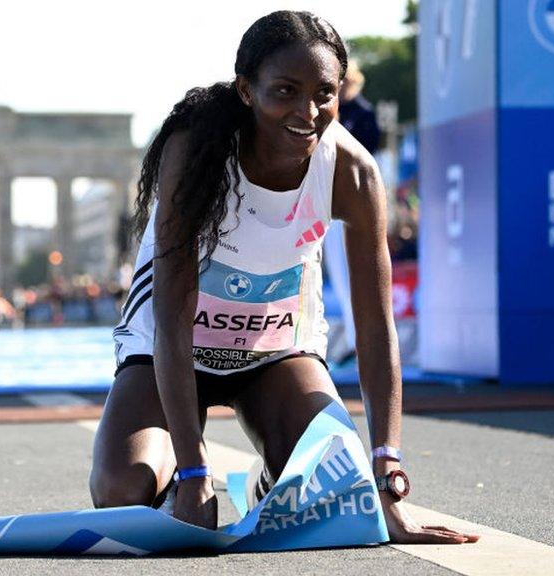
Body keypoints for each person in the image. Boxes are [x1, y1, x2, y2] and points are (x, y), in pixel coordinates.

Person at [91, 11, 479, 544]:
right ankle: (172, 475)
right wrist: (193, 472)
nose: (309, 112)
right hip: (171, 349)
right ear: (247, 91)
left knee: (338, 493)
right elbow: (171, 320)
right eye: (286, 91)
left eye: (325, 93)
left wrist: (386, 478)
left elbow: (374, 327)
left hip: (273, 352)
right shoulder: (194, 150)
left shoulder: (354, 172)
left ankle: (267, 483)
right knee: (121, 496)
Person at [324, 58, 384, 364]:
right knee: (335, 267)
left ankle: (362, 339)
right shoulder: (328, 109)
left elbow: (370, 158)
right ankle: (350, 335)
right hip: (326, 198)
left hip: (352, 200)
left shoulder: (363, 113)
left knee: (357, 268)